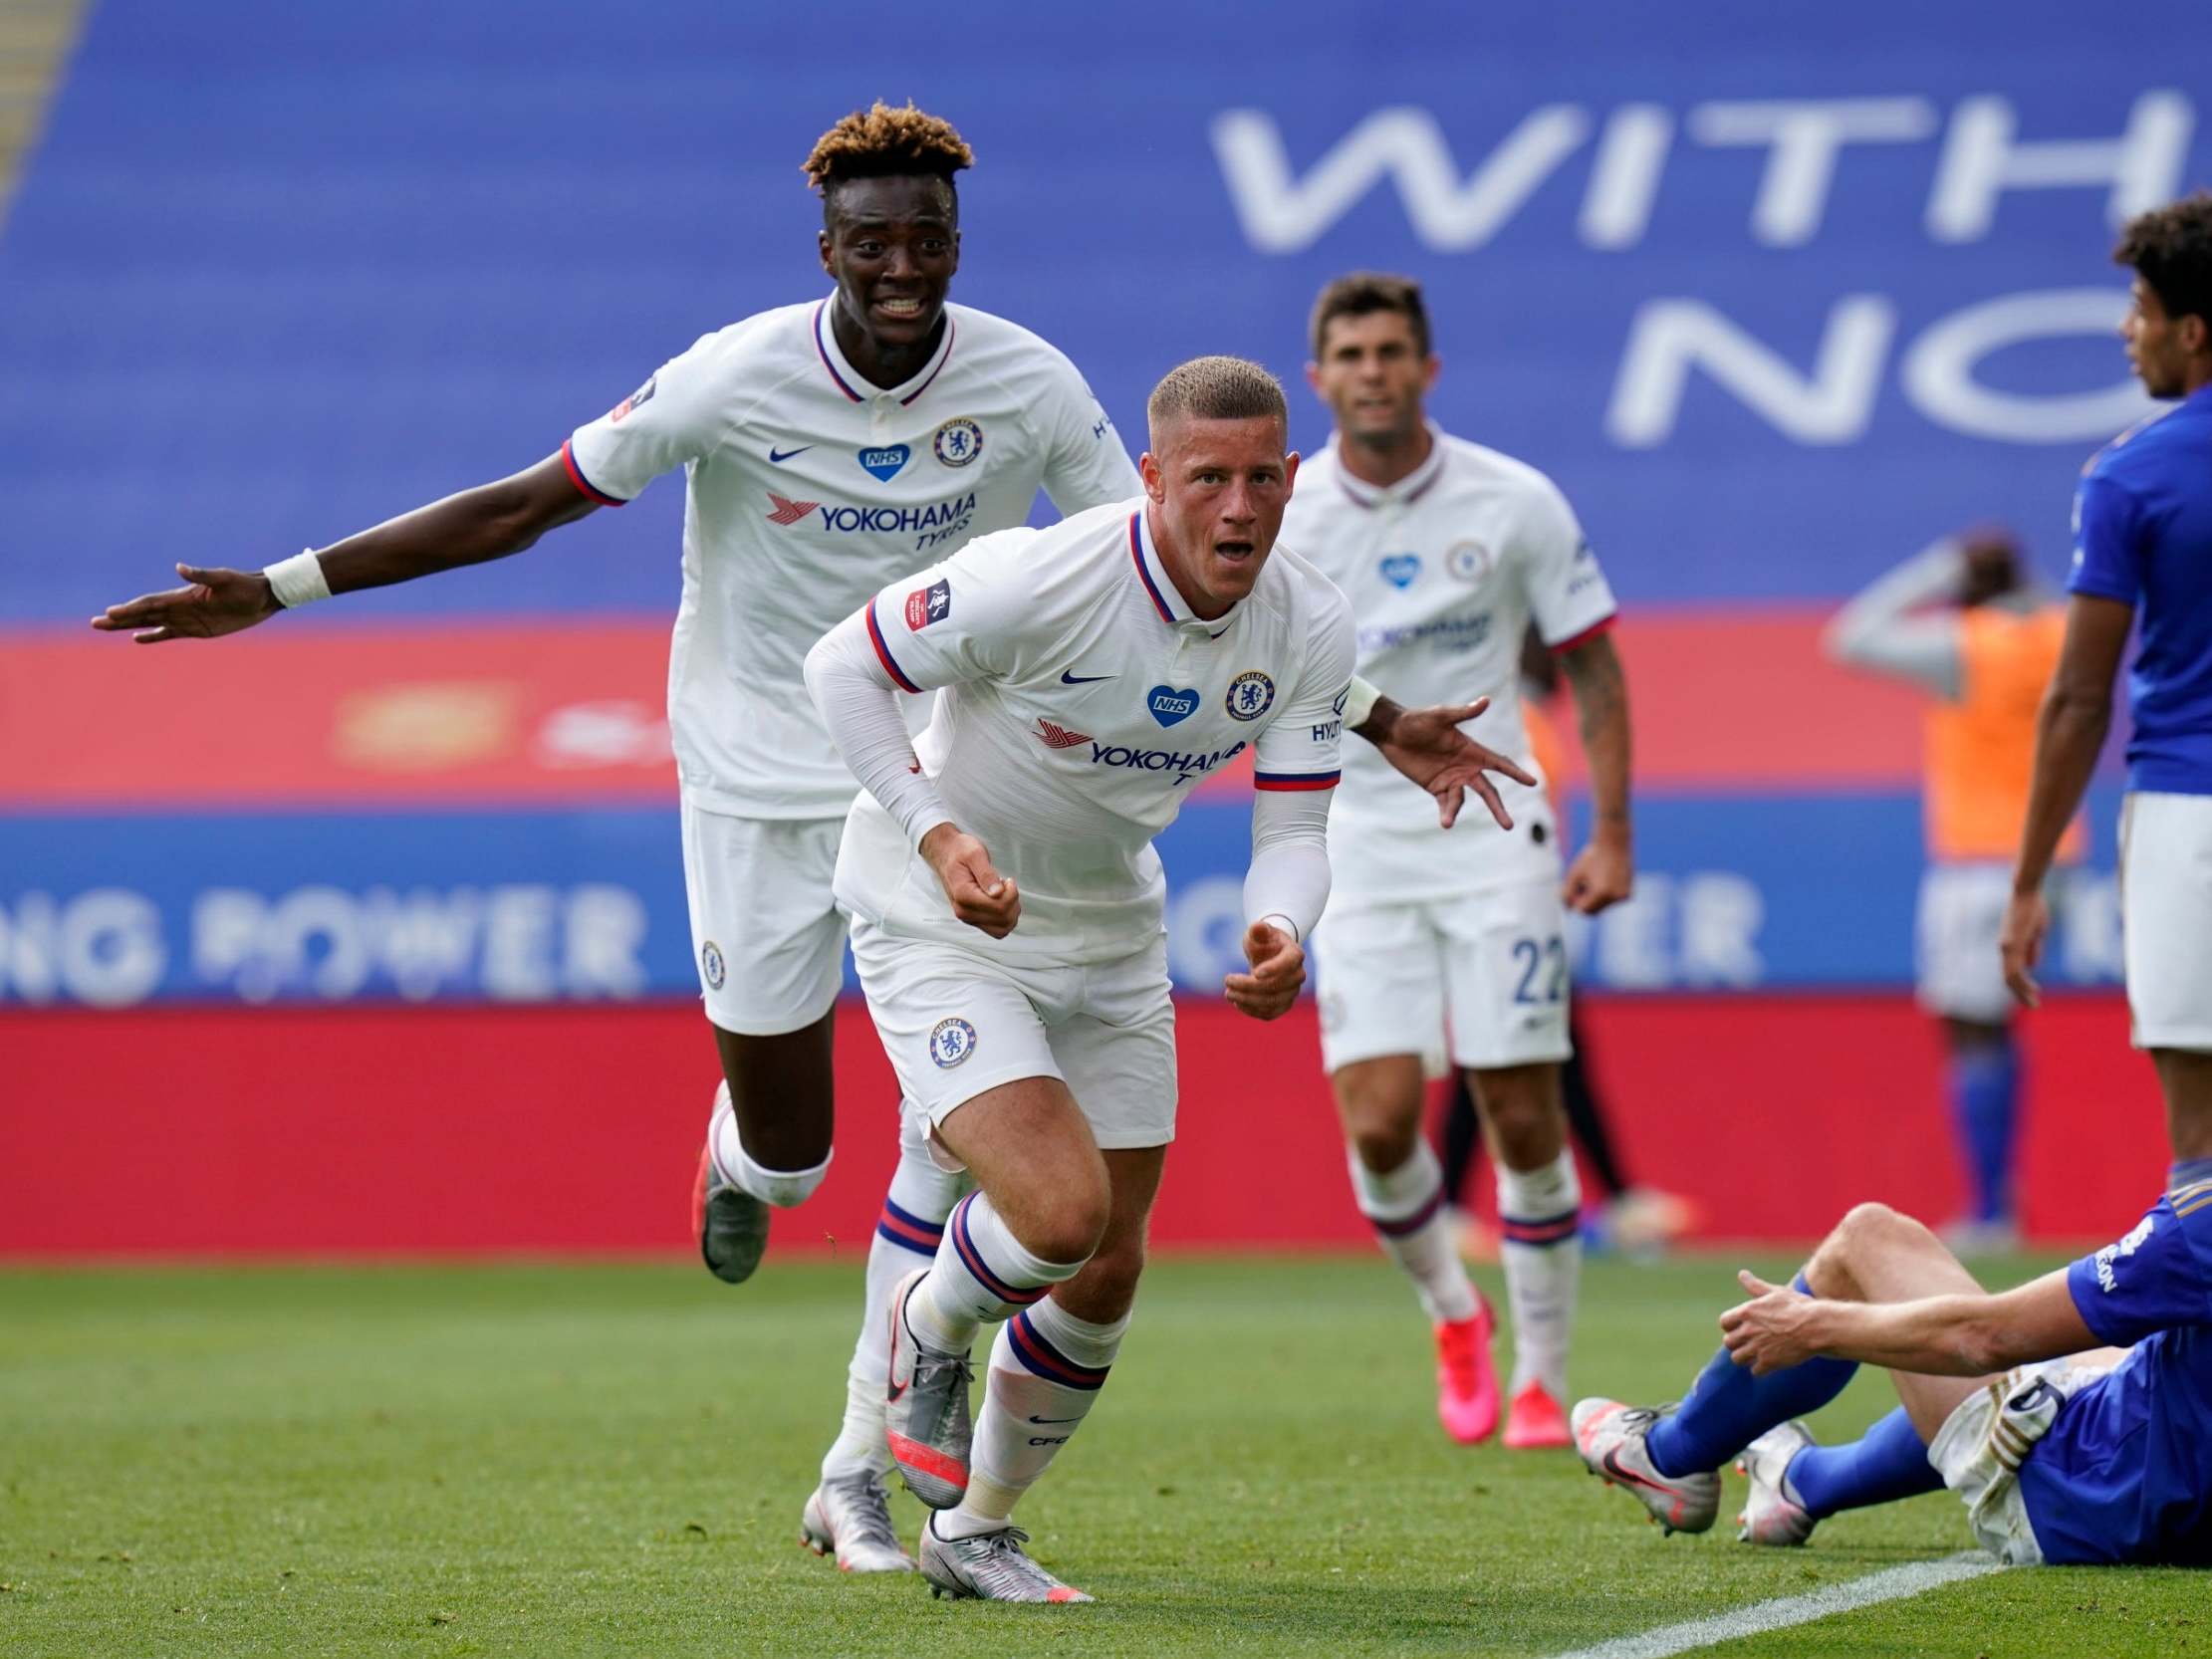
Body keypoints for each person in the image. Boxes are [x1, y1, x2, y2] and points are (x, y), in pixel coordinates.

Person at [90, 107, 1522, 1577]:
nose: (903, 267)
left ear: (959, 246)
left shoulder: (1027, 382)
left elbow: (1193, 572)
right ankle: (746, 1170)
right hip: (764, 782)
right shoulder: (733, 374)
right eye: (872, 244)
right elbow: (527, 504)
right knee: (795, 1149)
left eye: (928, 241)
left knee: (992, 1164)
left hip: (962, 799)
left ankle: (865, 1469)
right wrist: (280, 588)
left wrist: (1375, 714)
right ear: (825, 251)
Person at [804, 356, 1532, 1602]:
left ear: (1293, 480)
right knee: (1055, 1213)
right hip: (942, 913)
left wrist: (1279, 932)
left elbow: (1294, 833)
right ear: (1152, 479)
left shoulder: (1307, 621)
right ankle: (927, 1328)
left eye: (1261, 478)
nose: (1237, 507)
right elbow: (840, 668)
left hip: (1112, 928)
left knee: (1107, 1267)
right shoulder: (1039, 577)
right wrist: (931, 827)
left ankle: (973, 1531)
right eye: (1208, 480)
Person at [1280, 273, 1635, 1449]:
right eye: (1350, 352)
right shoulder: (1284, 512)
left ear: (1426, 370)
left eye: (1391, 351)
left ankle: (1541, 1373)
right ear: (1319, 374)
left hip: (1495, 831)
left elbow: (1591, 661)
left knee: (1522, 1110)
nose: (1372, 370)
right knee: (1379, 1126)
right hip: (1359, 843)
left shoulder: (1513, 498)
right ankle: (1452, 1310)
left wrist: (1615, 830)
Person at [1572, 1182, 2212, 1566]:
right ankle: (1799, 1483)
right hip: (2180, 1514)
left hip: (2079, 1502)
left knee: (1866, 1239)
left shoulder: (2201, 1227)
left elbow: (1984, 1337)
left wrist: (1815, 1326)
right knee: (2115, 1354)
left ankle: (1669, 1456)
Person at [2002, 192, 2212, 1199]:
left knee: (2200, 1150)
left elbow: (2080, 698)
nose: (2127, 331)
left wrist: (2027, 878)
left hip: (2188, 815)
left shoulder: (2132, 475)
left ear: (2191, 330)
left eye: (2138, 307)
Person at [1826, 528, 2084, 1249]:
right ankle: (1996, 1199)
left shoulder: (1964, 647)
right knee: (1992, 1024)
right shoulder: (2056, 633)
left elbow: (1849, 636)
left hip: (1979, 859)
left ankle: (1991, 1207)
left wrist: (1936, 569)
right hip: (2049, 852)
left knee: (1970, 1027)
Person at [1438, 628, 1694, 1262]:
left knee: (1525, 1055)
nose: (1556, 661)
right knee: (1521, 1056)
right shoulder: (1508, 719)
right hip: (1501, 916)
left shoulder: (1523, 719)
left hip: (1517, 913)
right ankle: (1612, 1200)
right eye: (1540, 647)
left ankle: (1453, 1208)